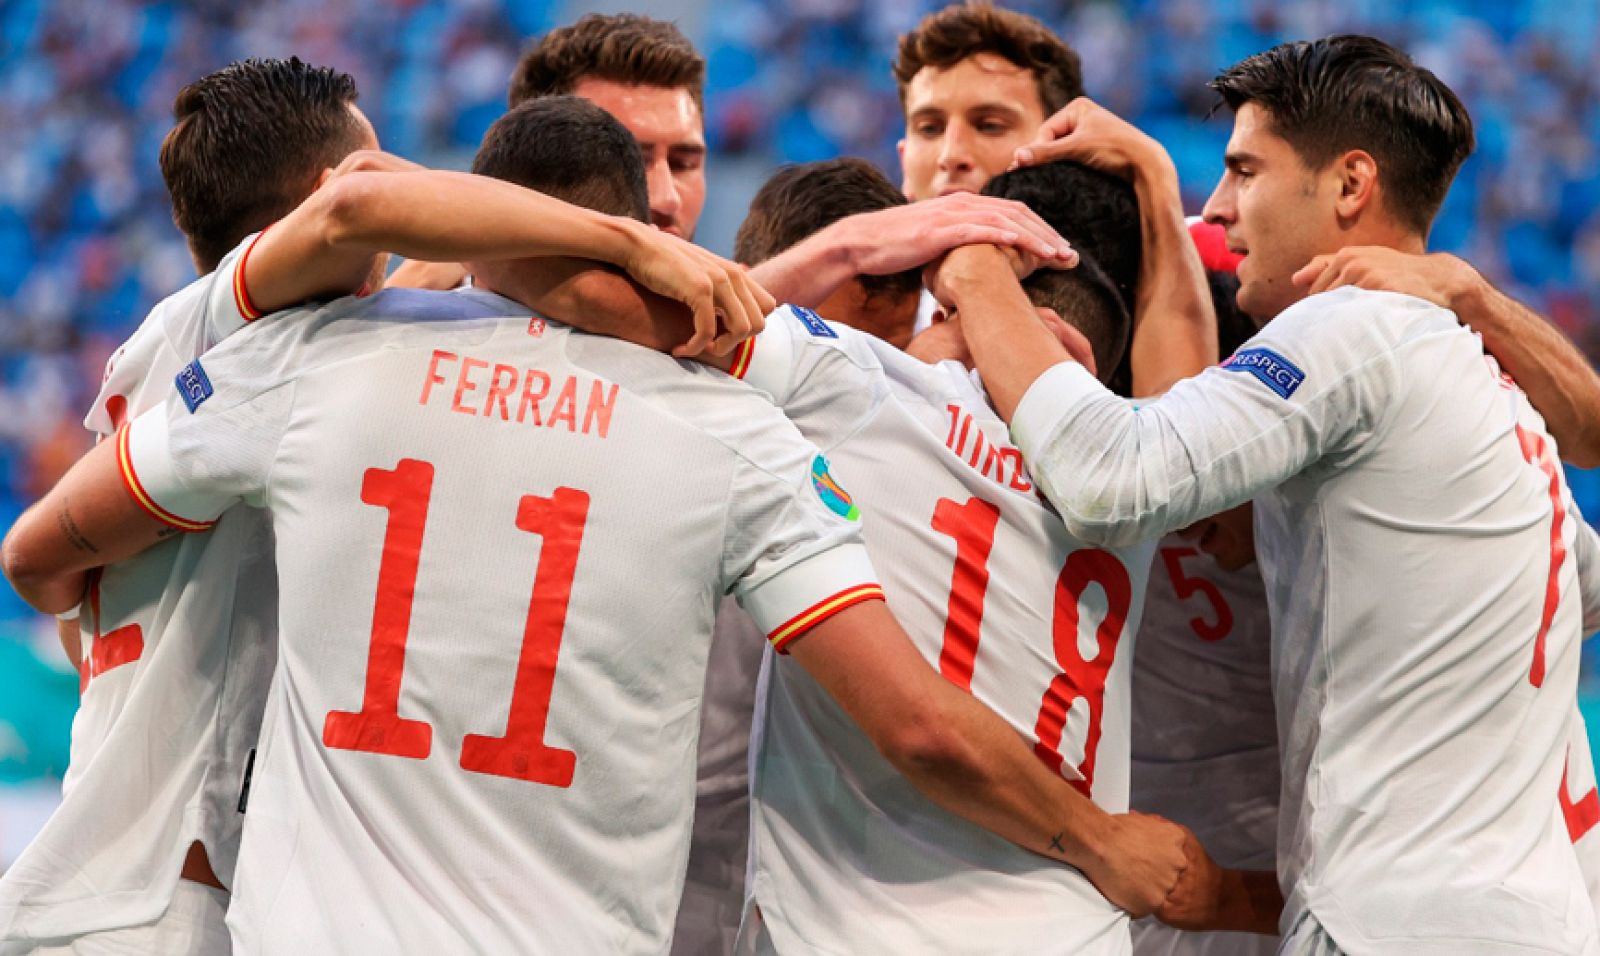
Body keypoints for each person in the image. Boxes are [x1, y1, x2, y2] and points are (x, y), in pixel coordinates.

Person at [3, 96, 1188, 955]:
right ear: (634, 219)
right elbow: (913, 721)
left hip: (273, 918)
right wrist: (1101, 839)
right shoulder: (738, 437)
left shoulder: (303, 362)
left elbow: (40, 554)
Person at [0, 56, 775, 956]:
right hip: (158, 902)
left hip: (123, 878)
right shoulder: (244, 333)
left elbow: (46, 575)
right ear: (325, 196)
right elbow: (365, 203)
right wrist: (631, 239)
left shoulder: (232, 363)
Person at [948, 36, 1600, 952]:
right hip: (1532, 913)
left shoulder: (1350, 325)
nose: (1220, 208)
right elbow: (1584, 587)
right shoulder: (1489, 390)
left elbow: (1111, 478)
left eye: (1245, 172)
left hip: (1390, 921)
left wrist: (973, 272)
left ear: (1348, 185)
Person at [1127, 267, 1280, 956]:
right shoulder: (1097, 472)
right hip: (1129, 884)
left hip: (1277, 897)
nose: (1182, 512)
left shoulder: (1355, 524)